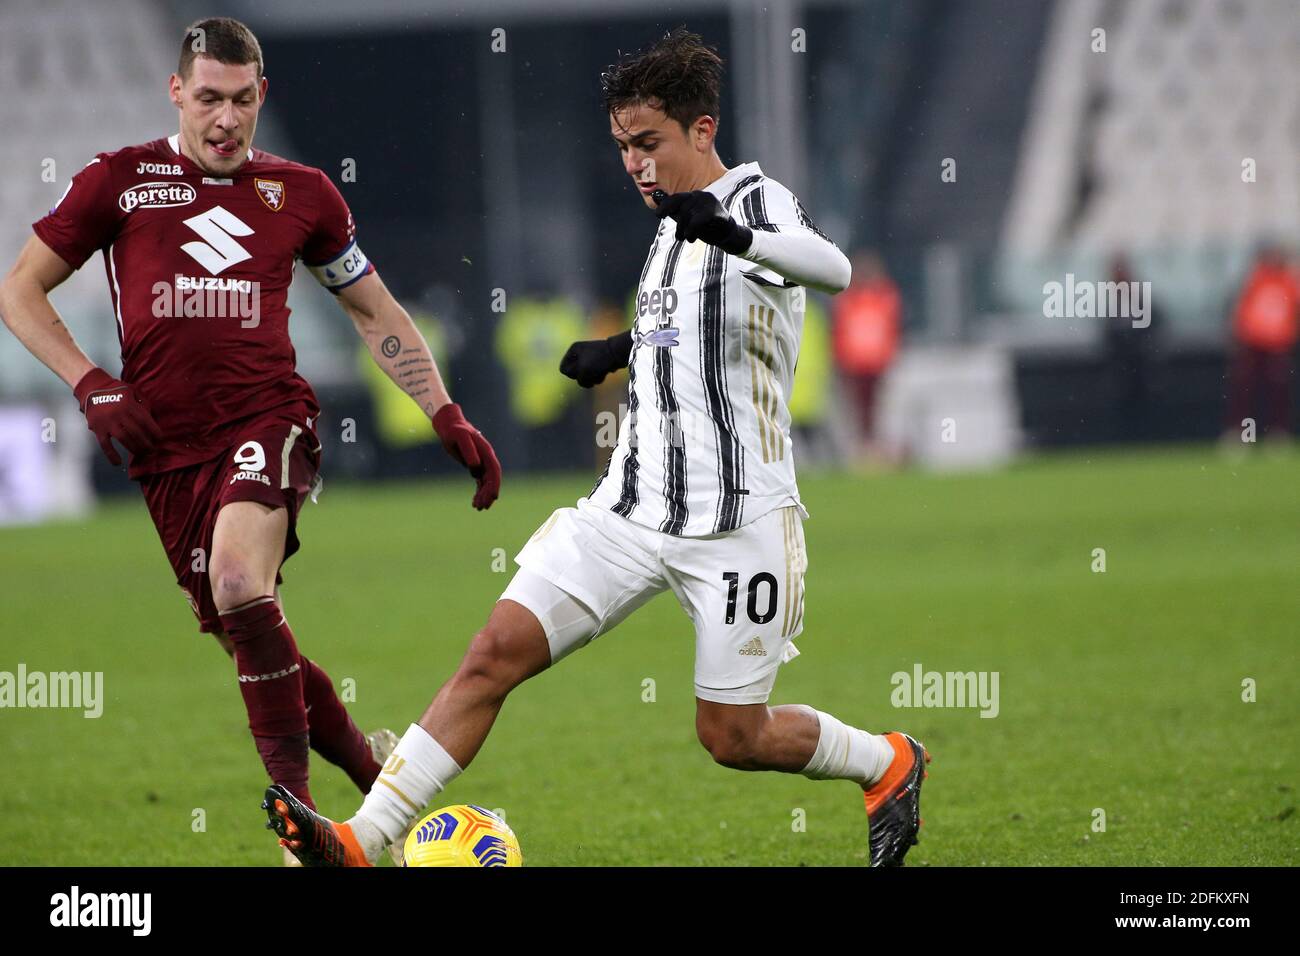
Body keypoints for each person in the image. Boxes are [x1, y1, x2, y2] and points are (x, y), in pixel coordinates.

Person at [264, 28, 928, 868]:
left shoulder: (754, 202)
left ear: (701, 129)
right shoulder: (669, 230)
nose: (635, 165)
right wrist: (616, 350)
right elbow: (687, 326)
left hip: (738, 520)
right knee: (490, 656)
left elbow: (828, 267)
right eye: (621, 148)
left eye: (648, 144)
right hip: (628, 509)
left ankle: (889, 762)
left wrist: (725, 232)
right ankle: (359, 844)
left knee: (732, 735)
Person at [0, 17, 500, 861]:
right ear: (176, 94)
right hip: (163, 451)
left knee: (239, 584)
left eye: (240, 101)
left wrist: (442, 411)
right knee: (247, 630)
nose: (225, 120)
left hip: (270, 420)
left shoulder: (302, 193)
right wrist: (90, 382)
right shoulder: (118, 181)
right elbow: (21, 291)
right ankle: (375, 782)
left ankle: (297, 822)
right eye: (207, 100)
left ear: (261, 95)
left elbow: (374, 311)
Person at [1223, 244, 1299, 443]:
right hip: (1253, 343)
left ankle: (1278, 433)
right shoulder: (1257, 279)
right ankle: (1241, 433)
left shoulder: (1288, 282)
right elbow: (1242, 310)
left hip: (1277, 345)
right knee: (1245, 390)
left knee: (1278, 390)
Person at [831, 250, 900, 455]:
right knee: (857, 411)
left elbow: (891, 329)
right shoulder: (849, 299)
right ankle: (862, 450)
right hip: (854, 365)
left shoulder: (885, 297)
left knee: (874, 410)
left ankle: (873, 449)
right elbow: (841, 330)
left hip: (876, 364)